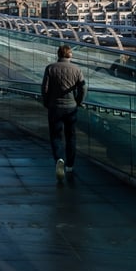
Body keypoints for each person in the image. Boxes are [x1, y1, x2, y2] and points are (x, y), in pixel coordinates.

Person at [42, 45, 87, 182]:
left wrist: (46, 102)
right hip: (71, 107)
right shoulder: (76, 69)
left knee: (56, 136)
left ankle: (59, 159)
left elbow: (45, 88)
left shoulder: (50, 68)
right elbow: (83, 87)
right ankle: (70, 165)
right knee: (71, 137)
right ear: (70, 55)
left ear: (58, 54)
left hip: (54, 107)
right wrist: (79, 101)